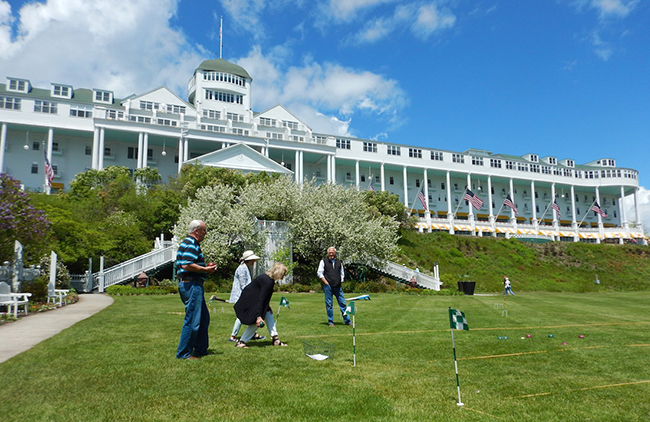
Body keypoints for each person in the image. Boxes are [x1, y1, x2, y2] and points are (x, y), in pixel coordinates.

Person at [175, 220, 217, 360]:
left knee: (204, 318)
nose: (205, 234)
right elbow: (187, 265)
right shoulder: (191, 243)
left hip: (193, 284)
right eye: (204, 231)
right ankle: (184, 354)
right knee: (193, 320)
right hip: (191, 285)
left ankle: (200, 349)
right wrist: (205, 269)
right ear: (197, 231)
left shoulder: (189, 244)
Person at [233, 262, 289, 348]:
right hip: (249, 303)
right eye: (284, 273)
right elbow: (261, 299)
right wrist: (258, 316)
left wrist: (267, 307)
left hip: (252, 301)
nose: (284, 275)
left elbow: (264, 297)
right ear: (279, 272)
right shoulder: (267, 282)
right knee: (256, 323)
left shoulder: (268, 279)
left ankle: (275, 339)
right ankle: (241, 342)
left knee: (269, 315)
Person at [225, 250, 265, 342]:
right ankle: (233, 336)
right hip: (242, 296)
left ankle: (253, 334)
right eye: (253, 260)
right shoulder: (242, 268)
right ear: (249, 260)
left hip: (245, 295)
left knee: (251, 314)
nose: (254, 262)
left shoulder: (245, 267)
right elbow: (244, 285)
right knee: (240, 317)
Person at [317, 247, 351, 327]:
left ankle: (347, 321)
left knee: (343, 304)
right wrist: (326, 282)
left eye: (333, 252)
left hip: (338, 287)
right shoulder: (323, 261)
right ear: (328, 253)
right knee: (329, 305)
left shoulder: (339, 262)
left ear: (335, 253)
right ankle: (331, 322)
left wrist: (340, 281)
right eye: (330, 252)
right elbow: (319, 273)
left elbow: (342, 273)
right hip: (328, 286)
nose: (331, 254)